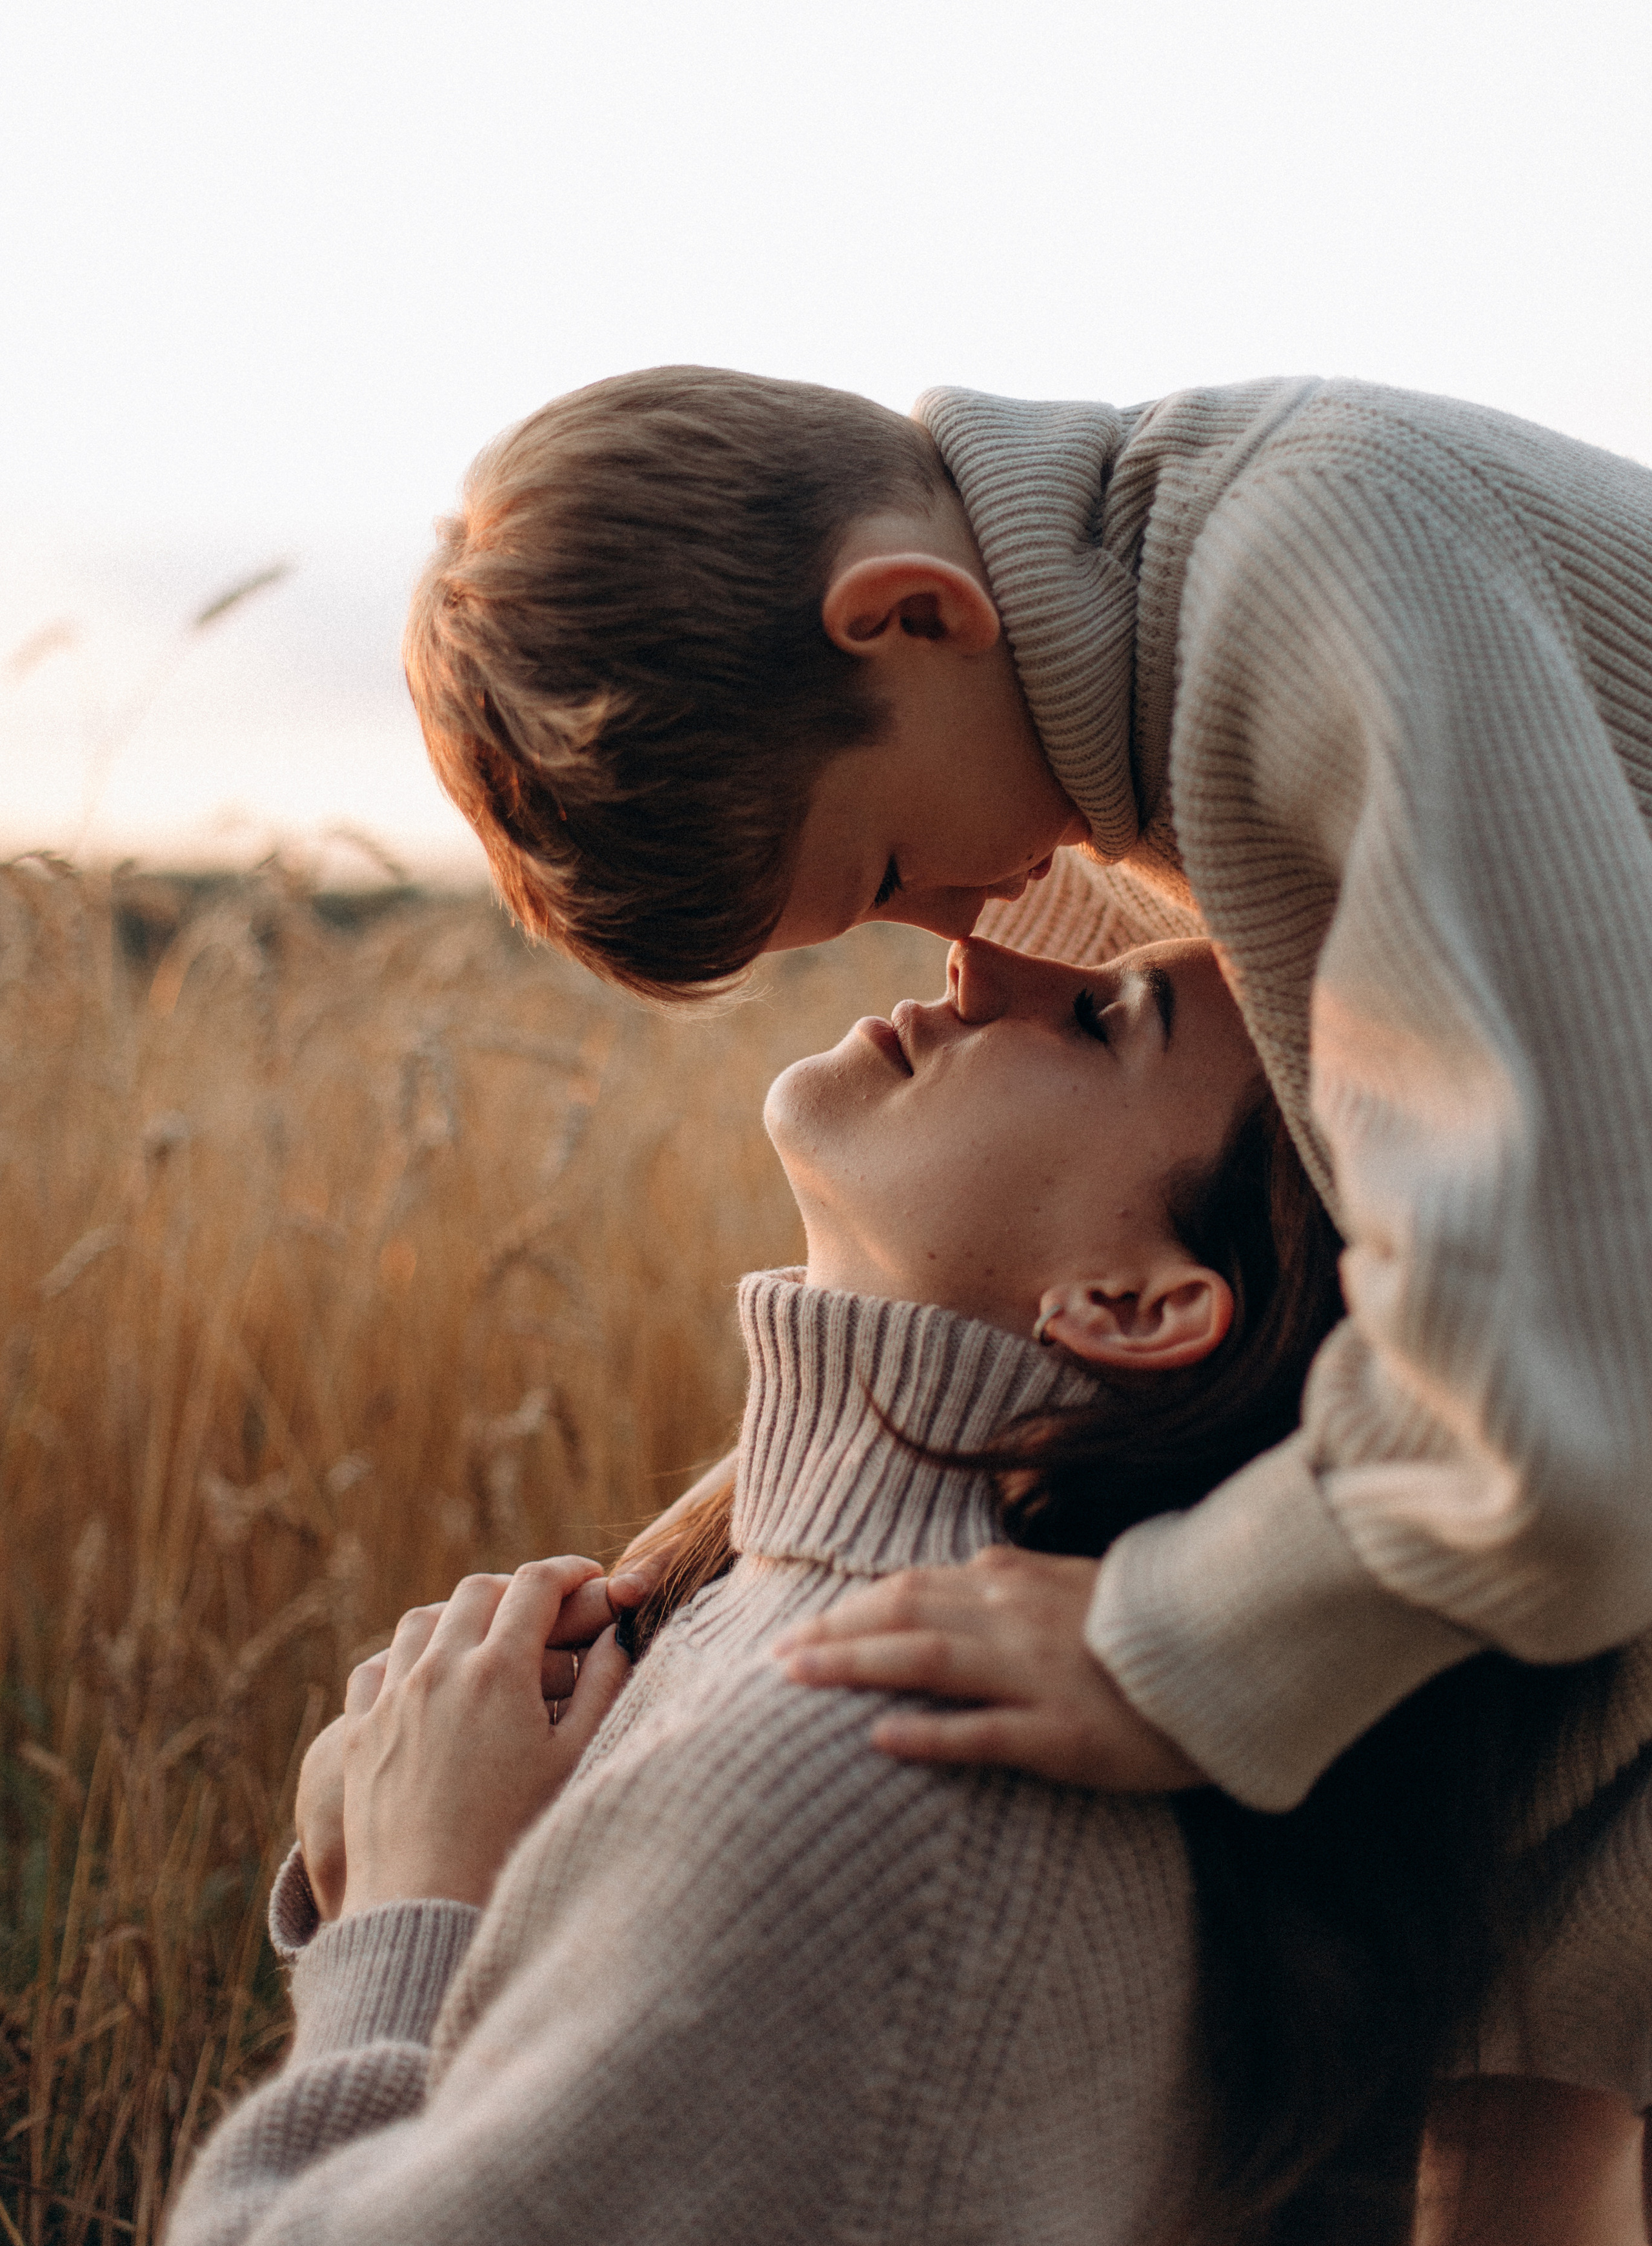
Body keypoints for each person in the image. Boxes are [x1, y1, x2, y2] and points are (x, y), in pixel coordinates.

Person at [171, 939, 1649, 2246]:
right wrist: (404, 1855)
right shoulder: (776, 1602)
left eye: (1102, 1019)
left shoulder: (879, 1773)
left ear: (1134, 1304)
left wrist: (414, 1902)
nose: (980, 964)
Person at [402, 363, 1652, 1838]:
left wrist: (1165, 1656)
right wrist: (663, 1593)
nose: (961, 938)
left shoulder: (1324, 573)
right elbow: (982, 1300)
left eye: (882, 873)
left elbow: (1583, 1389)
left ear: (914, 614)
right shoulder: (1102, 707)